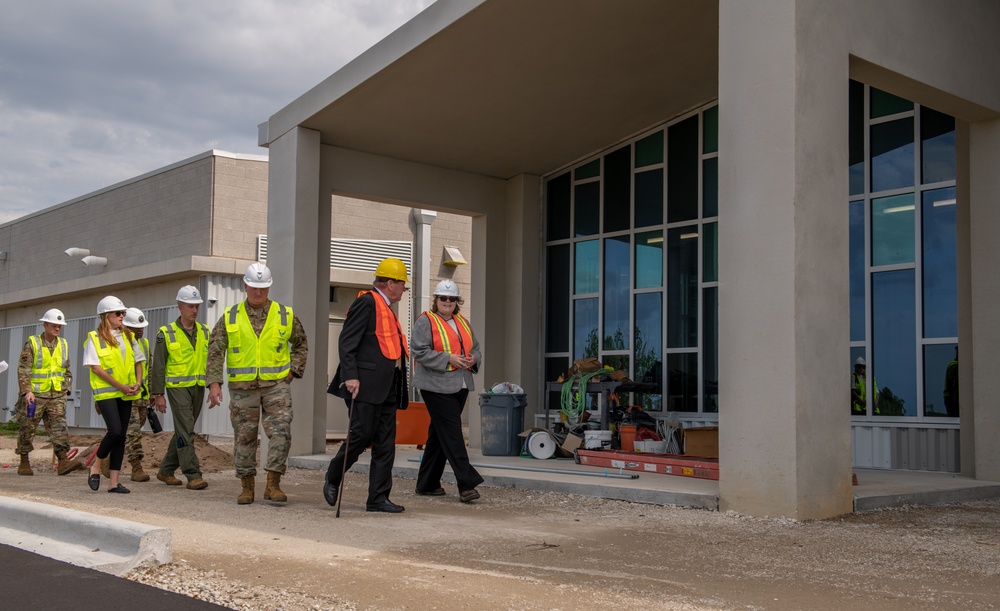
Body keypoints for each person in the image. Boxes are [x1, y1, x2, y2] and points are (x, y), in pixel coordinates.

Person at [207, 263, 308, 504]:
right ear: (245, 286)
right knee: (244, 436)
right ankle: (247, 487)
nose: (258, 292)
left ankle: (273, 484)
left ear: (269, 287)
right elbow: (215, 350)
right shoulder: (231, 316)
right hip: (243, 389)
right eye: (253, 287)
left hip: (276, 386)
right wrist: (214, 383)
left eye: (262, 288)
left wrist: (294, 371)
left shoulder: (285, 314)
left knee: (281, 433)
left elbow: (301, 344)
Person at [324, 257, 410, 513]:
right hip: (363, 385)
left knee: (386, 443)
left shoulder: (386, 307)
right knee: (360, 436)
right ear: (390, 283)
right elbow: (347, 341)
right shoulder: (366, 302)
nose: (404, 289)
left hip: (388, 386)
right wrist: (350, 375)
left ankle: (378, 498)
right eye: (402, 284)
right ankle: (333, 475)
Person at [411, 279, 484, 503]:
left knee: (439, 434)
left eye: (452, 299)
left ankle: (427, 483)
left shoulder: (462, 321)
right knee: (452, 433)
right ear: (436, 299)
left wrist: (474, 359)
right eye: (443, 298)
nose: (448, 302)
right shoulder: (426, 321)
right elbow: (418, 351)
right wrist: (448, 358)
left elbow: (476, 348)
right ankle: (466, 483)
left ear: (457, 301)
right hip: (435, 386)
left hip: (460, 384)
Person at [150, 286, 212, 490]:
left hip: (198, 387)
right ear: (180, 307)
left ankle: (166, 470)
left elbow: (211, 361)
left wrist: (214, 385)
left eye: (197, 306)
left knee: (184, 429)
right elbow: (158, 365)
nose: (194, 310)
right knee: (186, 430)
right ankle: (193, 474)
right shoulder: (166, 333)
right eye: (190, 306)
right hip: (177, 388)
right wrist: (158, 394)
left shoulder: (204, 331)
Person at [84, 296, 145, 493]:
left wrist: (137, 382)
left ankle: (113, 482)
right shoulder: (94, 338)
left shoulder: (129, 336)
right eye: (118, 313)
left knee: (121, 437)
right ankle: (96, 465)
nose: (122, 317)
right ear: (106, 315)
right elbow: (96, 368)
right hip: (107, 393)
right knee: (115, 431)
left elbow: (138, 361)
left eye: (123, 313)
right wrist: (120, 386)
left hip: (127, 391)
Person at [15, 308, 84, 476]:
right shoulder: (32, 343)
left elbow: (66, 369)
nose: (58, 328)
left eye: (60, 325)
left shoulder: (63, 344)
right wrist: (27, 392)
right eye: (54, 325)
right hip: (35, 396)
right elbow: (24, 369)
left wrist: (66, 388)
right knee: (27, 428)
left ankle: (63, 461)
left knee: (59, 428)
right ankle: (24, 461)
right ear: (45, 324)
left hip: (56, 395)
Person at [117, 307, 152, 482]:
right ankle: (136, 467)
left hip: (142, 397)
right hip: (124, 396)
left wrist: (152, 393)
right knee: (133, 433)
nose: (140, 330)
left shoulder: (144, 344)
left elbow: (149, 369)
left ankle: (108, 460)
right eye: (136, 327)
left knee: (131, 431)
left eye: (142, 327)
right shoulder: (117, 344)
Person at [943, 347, 959, 418]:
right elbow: (954, 385)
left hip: (951, 397)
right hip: (951, 398)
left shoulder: (954, 365)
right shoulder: (954, 366)